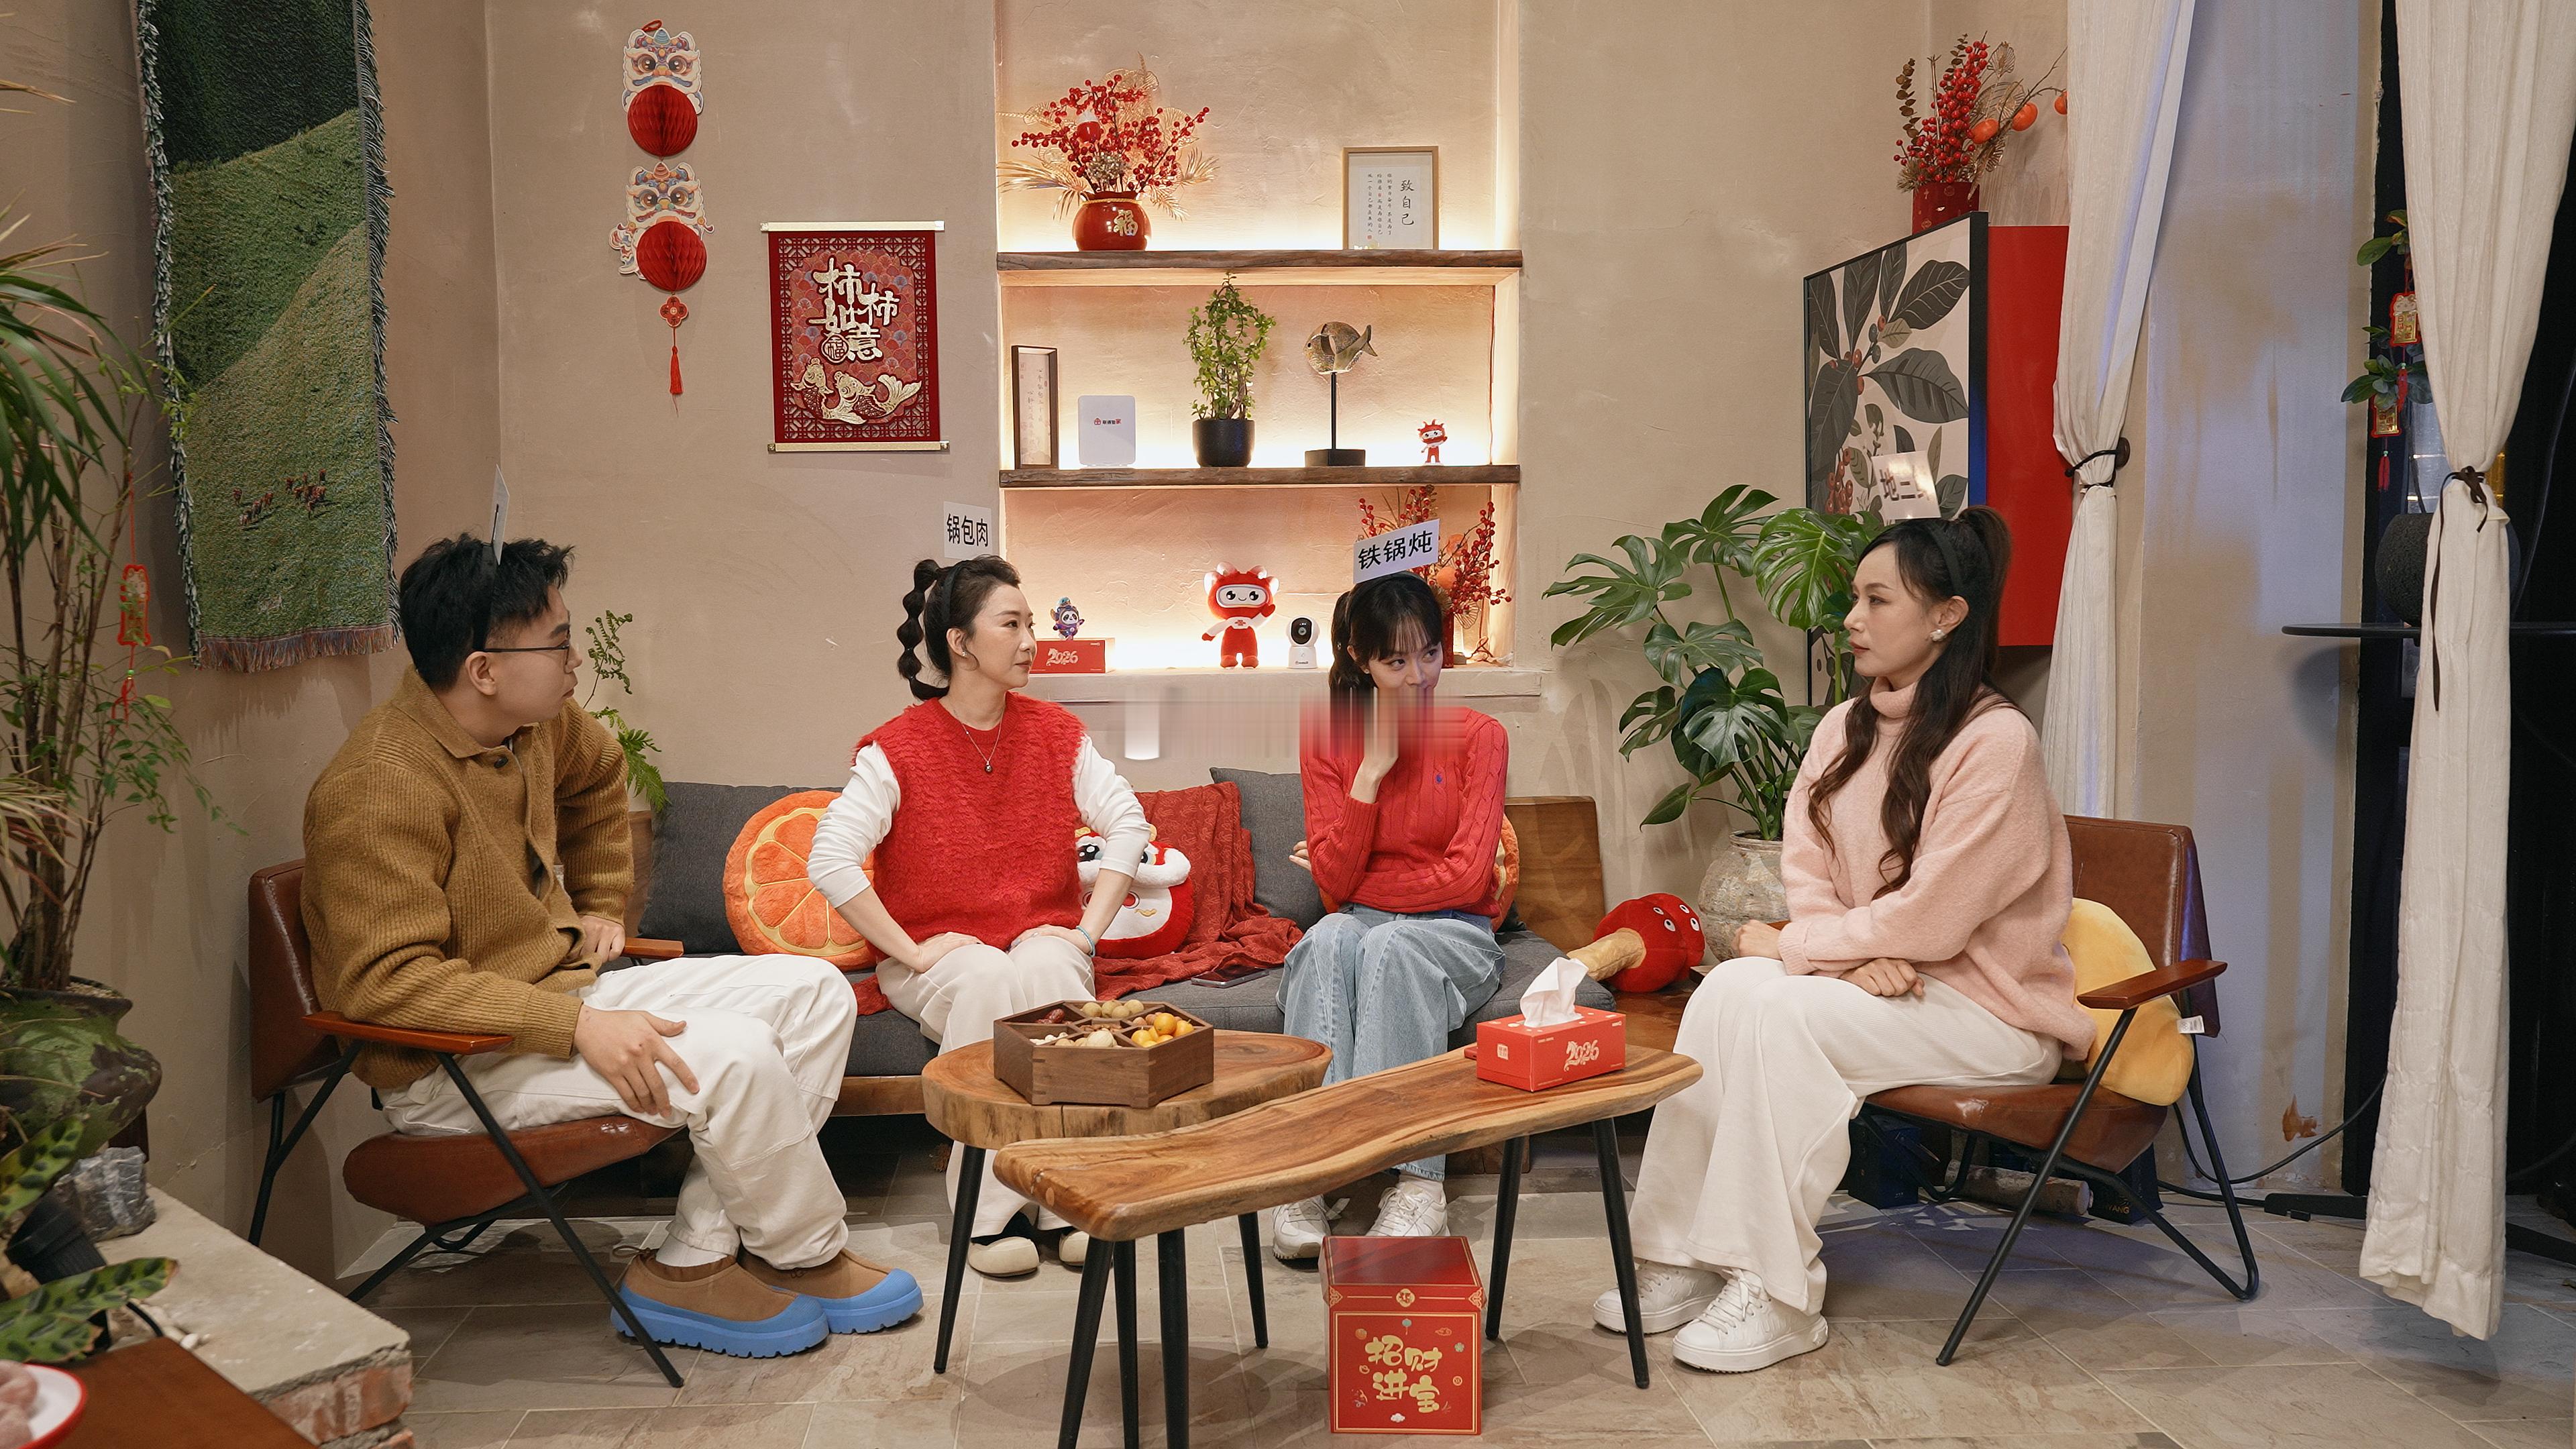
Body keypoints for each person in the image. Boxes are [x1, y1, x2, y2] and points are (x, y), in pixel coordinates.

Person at [303, 534, 920, 1361]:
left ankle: (694, 1259)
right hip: (453, 1064)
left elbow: (599, 773)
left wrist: (598, 906)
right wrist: (578, 1028)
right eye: (557, 642)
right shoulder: (379, 784)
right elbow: (383, 983)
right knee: (733, 1055)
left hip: (562, 1000)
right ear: (484, 669)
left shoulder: (532, 725)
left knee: (814, 992)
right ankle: (804, 1254)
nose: (574, 662)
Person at [1595, 507, 2095, 1374]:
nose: (1853, 619)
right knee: (1727, 990)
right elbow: (1809, 872)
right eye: (1854, 599)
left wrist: (1801, 951)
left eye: (1878, 600)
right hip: (1881, 989)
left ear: (1946, 616)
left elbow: (1933, 918)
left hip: (1991, 1016)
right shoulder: (1841, 729)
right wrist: (1848, 958)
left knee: (1786, 1014)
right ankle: (1679, 1255)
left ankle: (1778, 1295)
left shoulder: (1996, 742)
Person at [807, 557, 1151, 1277]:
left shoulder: (1057, 733)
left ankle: (1071, 1201)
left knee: (1053, 968)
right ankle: (988, 1215)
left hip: (1034, 938)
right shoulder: (897, 748)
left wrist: (1085, 933)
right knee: (990, 978)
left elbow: (1127, 822)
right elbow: (830, 858)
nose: (1031, 641)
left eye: (1031, 624)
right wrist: (912, 951)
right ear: (960, 642)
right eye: (1012, 624)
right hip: (939, 956)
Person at [1269, 572, 1511, 1260]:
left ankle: (1419, 1185)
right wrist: (1370, 772)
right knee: (1329, 939)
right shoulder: (1329, 741)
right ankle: (1307, 1173)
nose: (1418, 678)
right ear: (1360, 659)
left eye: (1429, 654)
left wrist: (1360, 885)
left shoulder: (1481, 737)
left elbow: (1469, 878)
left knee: (1390, 945)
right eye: (1396, 661)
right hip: (1362, 923)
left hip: (1457, 933)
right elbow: (1336, 892)